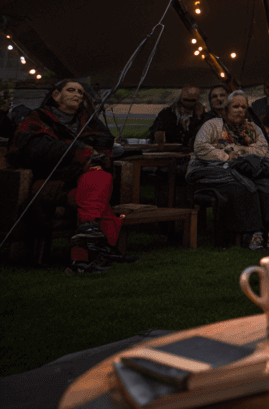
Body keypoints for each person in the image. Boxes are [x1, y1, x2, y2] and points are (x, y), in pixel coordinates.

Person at [7, 79, 130, 271]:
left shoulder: (88, 120)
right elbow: (36, 149)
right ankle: (89, 254)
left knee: (96, 185)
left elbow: (104, 144)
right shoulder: (37, 118)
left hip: (83, 182)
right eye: (71, 90)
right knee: (98, 185)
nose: (77, 95)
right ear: (56, 95)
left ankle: (80, 259)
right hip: (51, 181)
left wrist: (94, 157)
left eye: (80, 92)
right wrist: (81, 153)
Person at [188, 91, 269, 250]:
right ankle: (253, 234)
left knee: (268, 183)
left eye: (243, 107)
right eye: (235, 106)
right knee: (246, 186)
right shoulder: (213, 125)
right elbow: (200, 147)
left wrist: (240, 150)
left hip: (245, 169)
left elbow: (263, 149)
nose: (240, 110)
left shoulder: (250, 128)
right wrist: (226, 155)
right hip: (212, 170)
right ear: (226, 109)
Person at [146, 85, 211, 147]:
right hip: (169, 151)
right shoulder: (167, 113)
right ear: (180, 98)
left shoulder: (202, 115)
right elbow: (154, 135)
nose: (188, 103)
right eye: (186, 99)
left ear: (197, 100)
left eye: (192, 100)